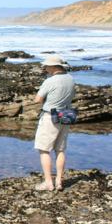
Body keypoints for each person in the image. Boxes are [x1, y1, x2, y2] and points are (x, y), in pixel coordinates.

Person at [33, 54, 75, 191]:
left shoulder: (50, 81)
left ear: (53, 67)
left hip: (50, 116)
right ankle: (59, 182)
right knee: (60, 150)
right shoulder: (70, 79)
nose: (45, 68)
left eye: (46, 66)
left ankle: (48, 183)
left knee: (44, 150)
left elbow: (37, 99)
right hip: (66, 115)